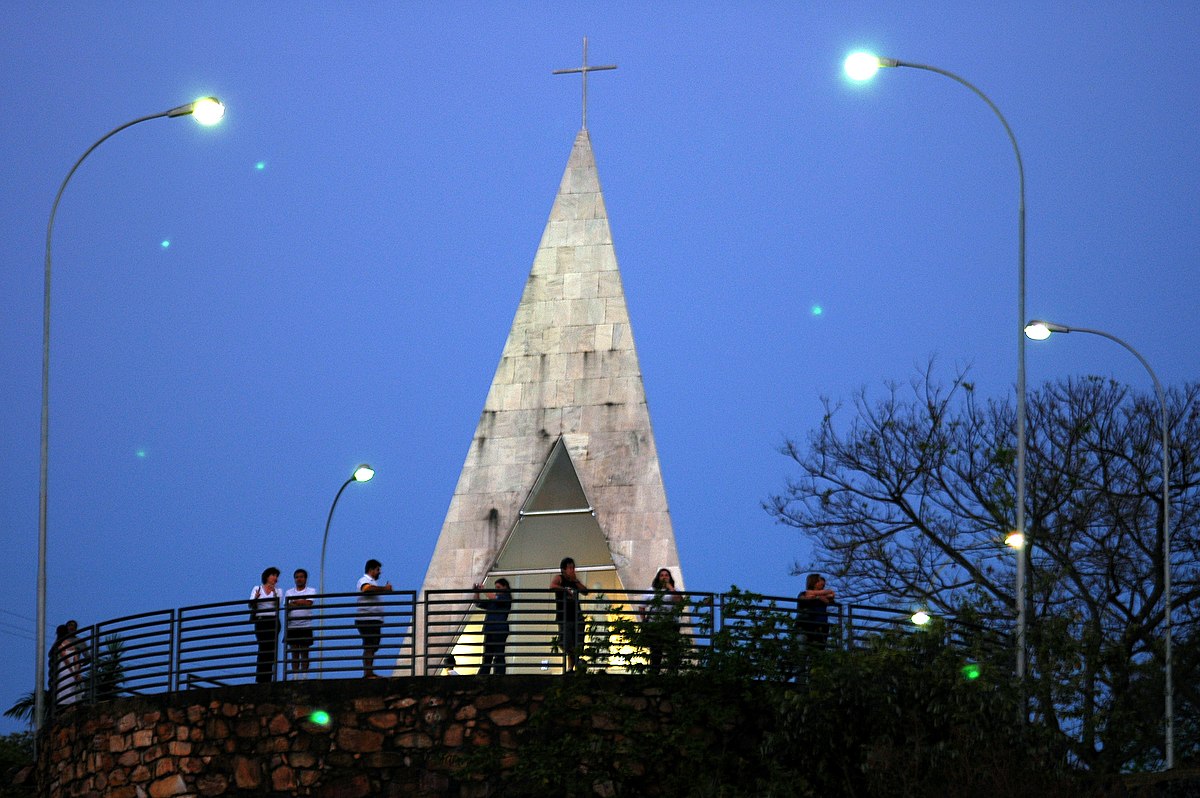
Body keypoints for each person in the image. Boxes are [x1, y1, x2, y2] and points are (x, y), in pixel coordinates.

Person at [639, 568, 684, 674]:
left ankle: (672, 674)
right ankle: (654, 674)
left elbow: (680, 602)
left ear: (670, 578)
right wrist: (644, 620)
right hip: (655, 625)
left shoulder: (674, 589)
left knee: (672, 650)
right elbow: (641, 607)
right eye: (662, 575)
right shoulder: (651, 590)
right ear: (658, 578)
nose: (664, 577)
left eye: (666, 575)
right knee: (656, 651)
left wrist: (670, 588)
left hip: (671, 624)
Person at [550, 557, 590, 672]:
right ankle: (573, 666)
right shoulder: (560, 578)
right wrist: (564, 590)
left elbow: (585, 591)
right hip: (564, 616)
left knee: (577, 642)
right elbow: (552, 586)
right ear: (563, 569)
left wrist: (576, 581)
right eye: (570, 568)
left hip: (576, 616)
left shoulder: (574, 581)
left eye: (573, 567)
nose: (572, 570)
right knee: (567, 643)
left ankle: (573, 667)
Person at [356, 559, 393, 678]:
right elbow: (366, 589)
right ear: (371, 570)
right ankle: (368, 672)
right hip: (367, 619)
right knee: (369, 645)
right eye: (378, 570)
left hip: (373, 619)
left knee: (372, 646)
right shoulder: (364, 580)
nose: (379, 572)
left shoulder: (373, 583)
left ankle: (369, 671)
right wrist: (384, 589)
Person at [474, 578, 513, 675]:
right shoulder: (495, 600)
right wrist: (477, 592)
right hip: (491, 629)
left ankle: (498, 674)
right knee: (488, 655)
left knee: (498, 654)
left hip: (499, 629)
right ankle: (485, 673)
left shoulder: (506, 597)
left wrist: (482, 590)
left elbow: (493, 597)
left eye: (498, 587)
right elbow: (478, 603)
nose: (497, 589)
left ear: (505, 587)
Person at [250, 567, 282, 683]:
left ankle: (268, 677)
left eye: (276, 576)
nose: (275, 578)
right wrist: (256, 599)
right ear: (267, 576)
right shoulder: (257, 588)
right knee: (263, 647)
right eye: (273, 575)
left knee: (271, 649)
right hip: (261, 620)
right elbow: (251, 605)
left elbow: (277, 605)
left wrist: (274, 594)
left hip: (273, 621)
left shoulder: (278, 591)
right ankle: (260, 677)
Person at [284, 568, 317, 679]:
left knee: (305, 652)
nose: (299, 579)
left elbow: (308, 603)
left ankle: (304, 676)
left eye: (301, 577)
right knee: (294, 653)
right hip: (292, 626)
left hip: (305, 625)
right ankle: (295, 676)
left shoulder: (311, 590)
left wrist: (295, 602)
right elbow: (287, 606)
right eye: (297, 577)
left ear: (305, 579)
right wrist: (301, 602)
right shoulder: (289, 592)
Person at [796, 573, 836, 651]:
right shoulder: (804, 594)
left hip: (820, 628)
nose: (822, 583)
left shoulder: (825, 597)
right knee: (801, 652)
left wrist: (819, 597)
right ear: (814, 582)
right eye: (819, 581)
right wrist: (817, 597)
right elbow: (805, 596)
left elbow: (831, 594)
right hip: (805, 626)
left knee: (817, 654)